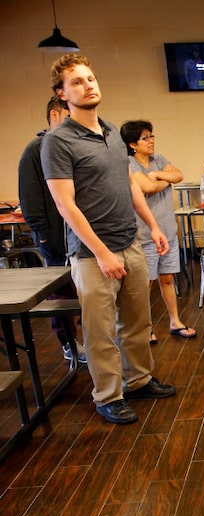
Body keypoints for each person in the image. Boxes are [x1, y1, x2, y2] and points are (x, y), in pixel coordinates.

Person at [41, 54, 177, 425]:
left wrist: (152, 225)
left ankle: (138, 380)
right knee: (101, 331)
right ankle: (108, 396)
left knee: (137, 322)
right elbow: (64, 203)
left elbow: (130, 184)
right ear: (62, 94)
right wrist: (101, 253)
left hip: (130, 241)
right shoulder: (57, 141)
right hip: (91, 253)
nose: (88, 85)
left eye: (91, 77)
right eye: (77, 82)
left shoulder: (114, 133)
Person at [17, 95, 86, 364]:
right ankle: (69, 344)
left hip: (78, 238)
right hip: (56, 241)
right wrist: (44, 235)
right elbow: (31, 200)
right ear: (55, 115)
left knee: (80, 295)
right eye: (69, 117)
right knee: (61, 295)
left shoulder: (70, 149)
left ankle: (85, 342)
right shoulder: (35, 150)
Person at [120, 120, 196, 344]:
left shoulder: (158, 159)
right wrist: (160, 178)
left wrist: (155, 176)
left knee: (167, 278)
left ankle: (175, 321)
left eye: (152, 136)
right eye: (145, 138)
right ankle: (144, 328)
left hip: (168, 232)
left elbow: (178, 175)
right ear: (133, 144)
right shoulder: (128, 164)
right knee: (146, 284)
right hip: (145, 235)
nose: (151, 141)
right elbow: (146, 187)